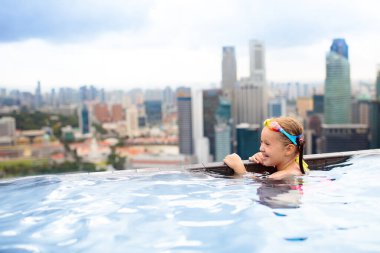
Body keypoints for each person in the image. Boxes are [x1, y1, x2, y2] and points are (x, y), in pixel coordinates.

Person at [224, 116, 308, 180]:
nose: (261, 149)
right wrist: (266, 158)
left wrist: (240, 170)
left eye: (267, 144)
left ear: (289, 149)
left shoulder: (280, 177)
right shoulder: (298, 164)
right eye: (261, 142)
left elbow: (252, 183)